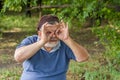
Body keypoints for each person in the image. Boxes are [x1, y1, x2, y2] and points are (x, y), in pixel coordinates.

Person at [14, 14, 89, 80]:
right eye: (48, 32)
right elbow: (18, 58)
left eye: (56, 32)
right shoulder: (31, 41)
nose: (53, 36)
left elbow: (83, 58)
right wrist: (42, 42)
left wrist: (67, 39)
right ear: (40, 33)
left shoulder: (64, 42)